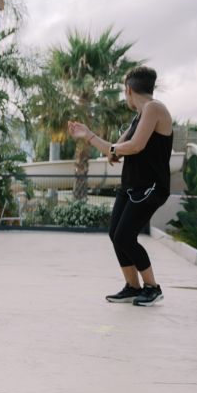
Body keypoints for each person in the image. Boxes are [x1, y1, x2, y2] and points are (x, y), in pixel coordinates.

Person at [67, 67, 172, 307]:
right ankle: (132, 286)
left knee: (125, 236)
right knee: (116, 234)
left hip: (151, 187)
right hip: (131, 186)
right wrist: (89, 135)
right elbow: (115, 149)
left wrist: (115, 150)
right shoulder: (139, 117)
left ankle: (152, 287)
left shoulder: (154, 109)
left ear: (128, 90)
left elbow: (134, 146)